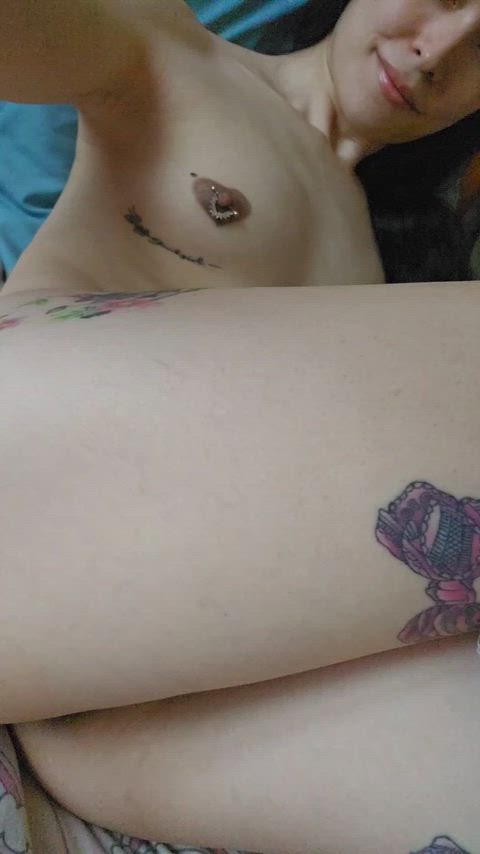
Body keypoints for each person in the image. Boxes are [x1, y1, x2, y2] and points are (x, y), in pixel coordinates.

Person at [1, 0, 480, 850]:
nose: (439, 50)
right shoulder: (176, 54)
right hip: (44, 478)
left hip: (117, 712)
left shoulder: (389, 281)